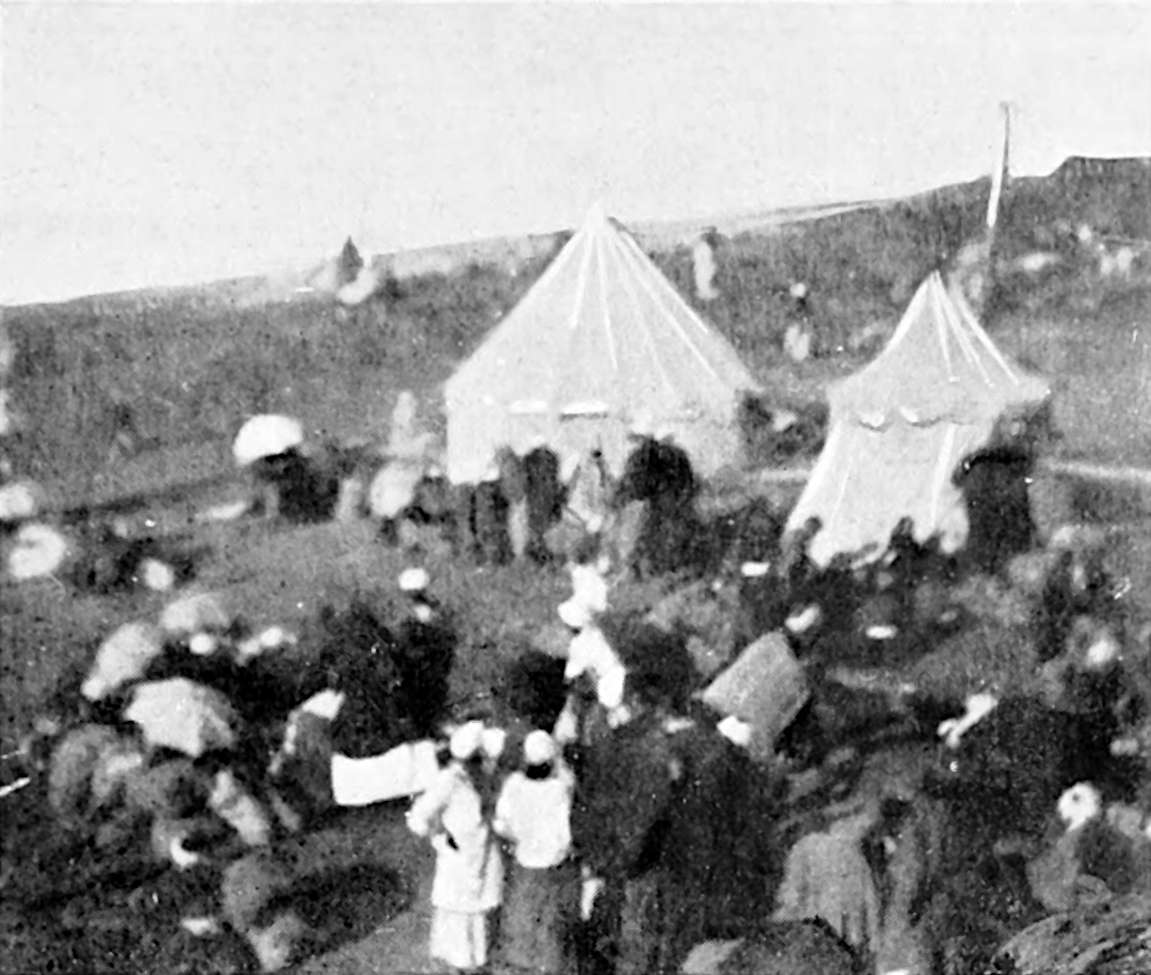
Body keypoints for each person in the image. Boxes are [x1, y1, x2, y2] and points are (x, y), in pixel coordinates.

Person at [407, 722, 505, 974]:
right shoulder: (448, 781)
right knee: (459, 932)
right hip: (459, 863)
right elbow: (418, 818)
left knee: (482, 926)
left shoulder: (486, 778)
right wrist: (441, 839)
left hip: (484, 858)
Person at [493, 730, 578, 975]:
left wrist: (515, 839)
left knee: (522, 917)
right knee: (550, 923)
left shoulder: (514, 784)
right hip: (552, 866)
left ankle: (521, 963)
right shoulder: (558, 789)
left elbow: (501, 823)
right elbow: (565, 833)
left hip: (524, 861)